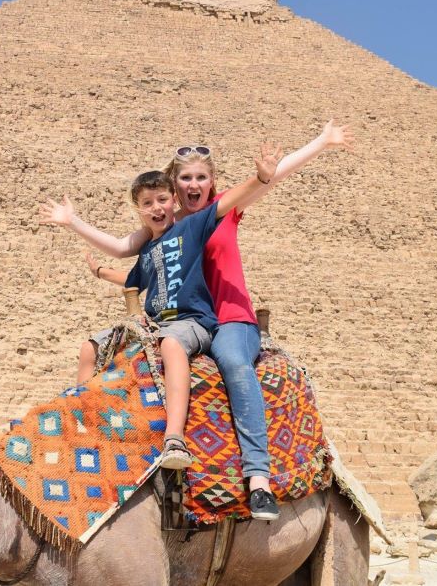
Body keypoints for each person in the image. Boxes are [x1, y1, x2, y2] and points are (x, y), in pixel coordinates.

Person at [42, 121, 353, 521]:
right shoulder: (161, 231)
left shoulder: (221, 210)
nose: (194, 184)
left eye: (201, 177)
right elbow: (146, 273)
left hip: (230, 317)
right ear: (174, 186)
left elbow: (268, 177)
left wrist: (321, 143)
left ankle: (258, 478)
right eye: (185, 177)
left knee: (236, 366)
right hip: (181, 317)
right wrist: (100, 268)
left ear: (211, 181)